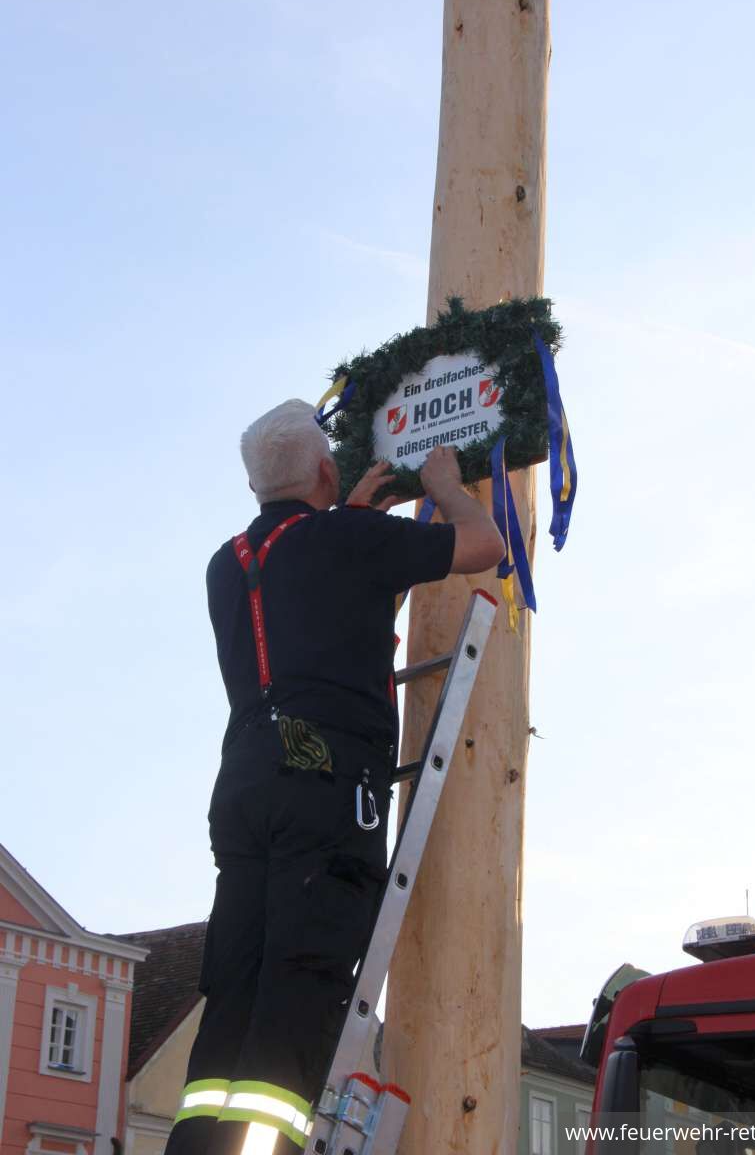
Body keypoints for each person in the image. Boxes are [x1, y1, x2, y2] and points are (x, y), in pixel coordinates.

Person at [164, 399, 504, 1155]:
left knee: (237, 981)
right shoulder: (346, 538)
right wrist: (445, 488)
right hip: (323, 781)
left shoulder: (229, 562)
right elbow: (481, 545)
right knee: (302, 976)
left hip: (246, 782)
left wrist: (351, 519)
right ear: (325, 468)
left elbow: (318, 604)